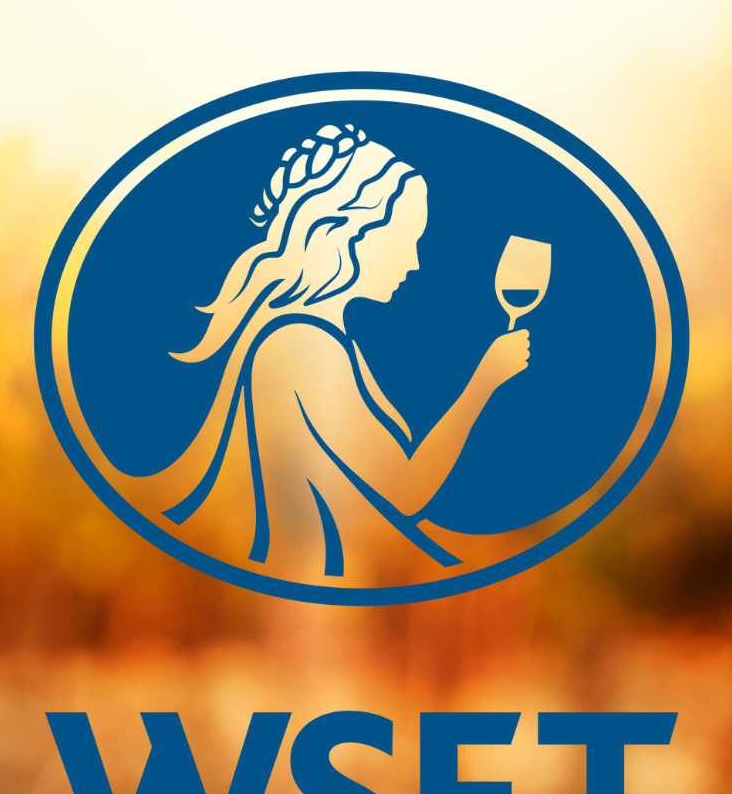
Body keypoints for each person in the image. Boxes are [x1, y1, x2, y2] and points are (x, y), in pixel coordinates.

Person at [126, 125, 532, 582]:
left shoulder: (323, 342)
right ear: (354, 233)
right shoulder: (302, 343)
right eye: (407, 238)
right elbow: (402, 493)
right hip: (309, 590)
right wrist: (485, 380)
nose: (416, 261)